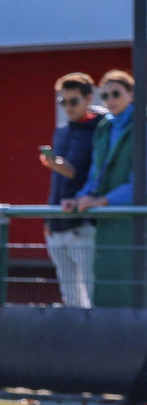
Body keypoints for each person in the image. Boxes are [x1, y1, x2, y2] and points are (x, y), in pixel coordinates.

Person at [63, 69, 135, 308]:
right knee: (106, 292)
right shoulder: (105, 128)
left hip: (134, 224)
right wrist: (80, 198)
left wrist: (102, 201)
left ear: (132, 95)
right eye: (105, 96)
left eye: (116, 94)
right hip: (108, 225)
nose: (111, 100)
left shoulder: (141, 126)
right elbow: (96, 173)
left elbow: (140, 183)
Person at [40, 73, 105, 309]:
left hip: (83, 223)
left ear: (88, 98)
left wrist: (57, 165)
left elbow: (80, 173)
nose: (68, 107)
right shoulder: (62, 130)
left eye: (73, 101)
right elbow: (57, 179)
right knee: (70, 296)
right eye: (63, 102)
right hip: (58, 223)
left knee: (91, 292)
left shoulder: (101, 129)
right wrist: (49, 218)